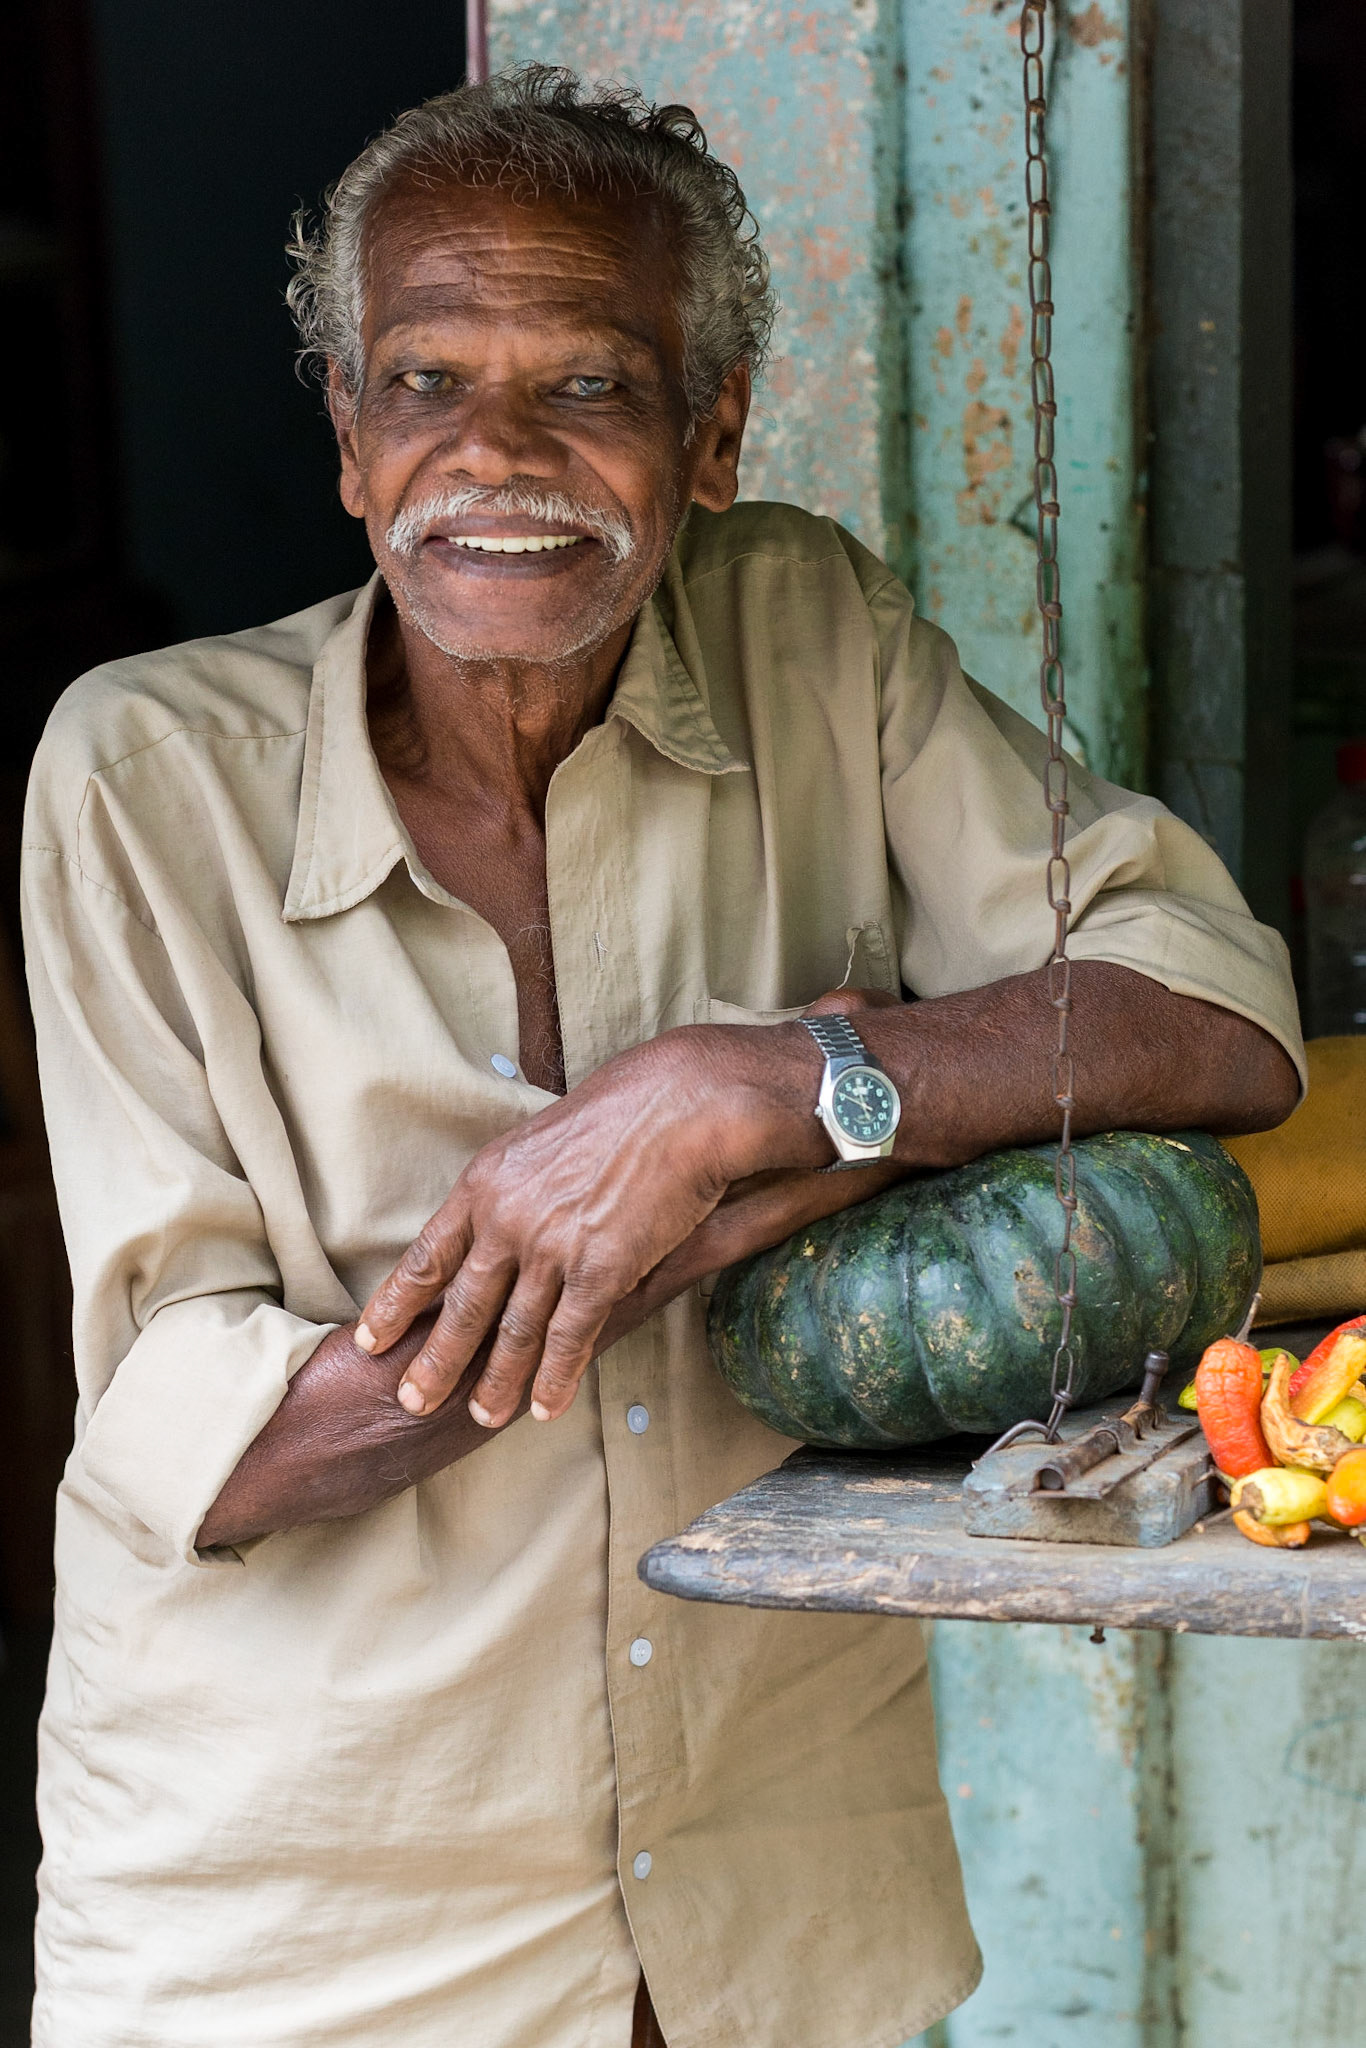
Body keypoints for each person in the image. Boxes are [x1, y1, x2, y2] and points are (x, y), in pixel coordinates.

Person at [21, 65, 1302, 2048]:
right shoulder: (143, 777)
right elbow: (218, 1439)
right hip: (307, 1905)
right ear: (349, 438)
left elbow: (1210, 1009)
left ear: (709, 434)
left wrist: (755, 1087)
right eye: (425, 382)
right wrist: (669, 1225)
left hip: (761, 1870)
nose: (495, 453)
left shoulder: (807, 633)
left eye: (588, 384)